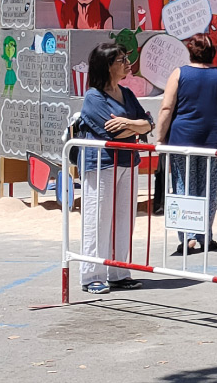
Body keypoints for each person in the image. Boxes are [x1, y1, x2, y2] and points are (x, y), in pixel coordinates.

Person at [157, 33, 217, 253]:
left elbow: (167, 108)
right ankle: (205, 235)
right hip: (214, 140)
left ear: (190, 51)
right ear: (213, 53)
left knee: (183, 187)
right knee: (208, 187)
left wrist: (159, 139)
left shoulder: (179, 74)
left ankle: (186, 237)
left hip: (182, 139)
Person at [79, 43, 153, 294]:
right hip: (102, 163)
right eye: (121, 59)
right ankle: (91, 274)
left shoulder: (127, 94)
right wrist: (136, 126)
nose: (126, 63)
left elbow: (148, 123)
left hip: (128, 162)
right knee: (98, 218)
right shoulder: (93, 97)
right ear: (107, 66)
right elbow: (114, 133)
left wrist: (132, 123)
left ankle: (119, 272)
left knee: (125, 219)